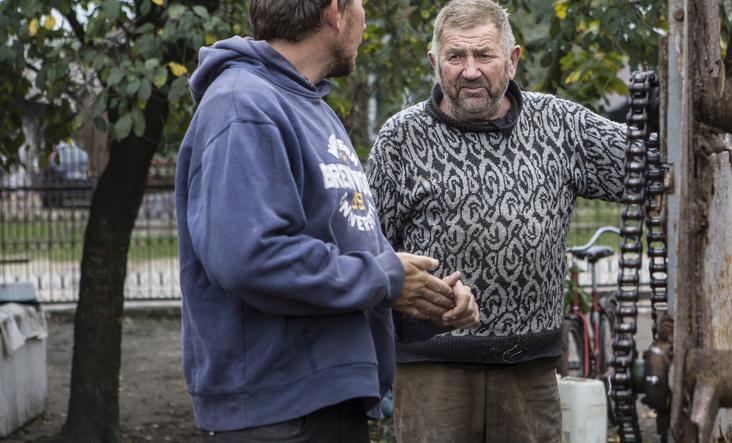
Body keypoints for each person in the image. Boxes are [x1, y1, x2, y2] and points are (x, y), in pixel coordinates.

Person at [174, 0, 480, 441]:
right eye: (360, 5)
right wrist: (386, 277)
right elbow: (251, 257)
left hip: (328, 403)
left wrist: (425, 302)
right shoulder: (242, 105)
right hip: (277, 414)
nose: (365, 19)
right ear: (335, 11)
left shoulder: (313, 109)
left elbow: (349, 262)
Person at [366, 1, 628, 441]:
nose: (470, 71)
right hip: (432, 372)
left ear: (512, 58)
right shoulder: (400, 139)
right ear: (435, 62)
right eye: (455, 57)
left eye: (483, 55)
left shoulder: (560, 125)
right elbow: (368, 247)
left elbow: (647, 167)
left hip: (529, 370)